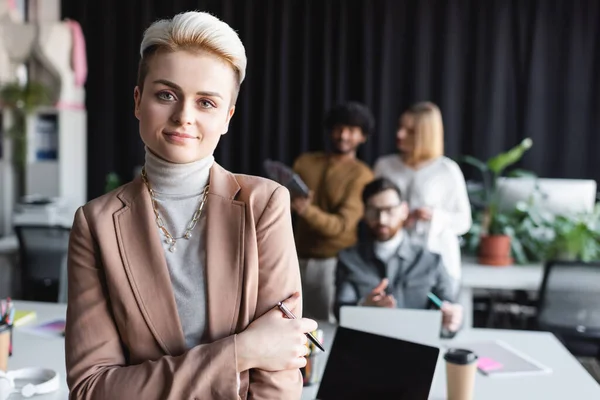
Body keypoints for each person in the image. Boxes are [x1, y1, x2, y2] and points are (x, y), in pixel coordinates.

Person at [65, 11, 317, 399]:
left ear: (228, 117)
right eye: (166, 95)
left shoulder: (264, 205)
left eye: (206, 102)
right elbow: (92, 389)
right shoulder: (95, 223)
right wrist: (241, 352)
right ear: (138, 101)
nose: (183, 116)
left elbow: (278, 379)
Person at [334, 178, 463, 333]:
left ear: (404, 210)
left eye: (389, 210)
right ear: (364, 213)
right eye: (373, 211)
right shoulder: (349, 259)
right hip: (366, 346)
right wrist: (363, 307)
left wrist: (453, 320)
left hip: (419, 348)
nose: (382, 219)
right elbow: (340, 311)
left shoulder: (431, 261)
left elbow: (452, 311)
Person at [373, 102, 471, 293]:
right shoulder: (384, 166)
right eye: (400, 127)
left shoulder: (446, 170)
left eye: (410, 131)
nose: (399, 134)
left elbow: (464, 222)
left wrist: (434, 216)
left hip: (437, 258)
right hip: (392, 259)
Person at [292, 102, 375, 322]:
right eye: (338, 128)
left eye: (352, 130)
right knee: (290, 322)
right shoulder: (305, 162)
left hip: (333, 264)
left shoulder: (362, 175)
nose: (343, 135)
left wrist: (306, 210)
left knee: (324, 326)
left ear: (363, 137)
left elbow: (342, 227)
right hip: (293, 256)